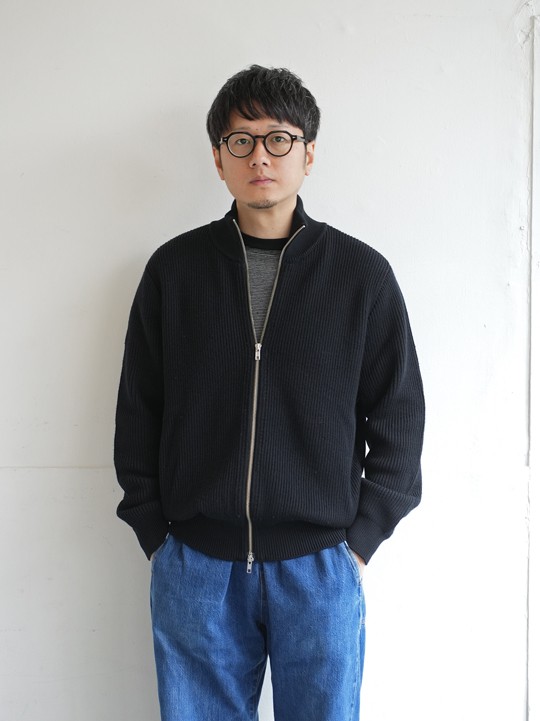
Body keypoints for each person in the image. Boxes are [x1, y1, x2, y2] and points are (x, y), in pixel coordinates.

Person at [114, 64, 425, 721]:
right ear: (218, 159)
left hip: (319, 567)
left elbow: (399, 417)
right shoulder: (174, 271)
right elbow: (139, 409)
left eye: (279, 139)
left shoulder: (361, 277)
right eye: (241, 141)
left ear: (308, 154)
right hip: (196, 565)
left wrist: (360, 541)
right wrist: (155, 532)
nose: (260, 156)